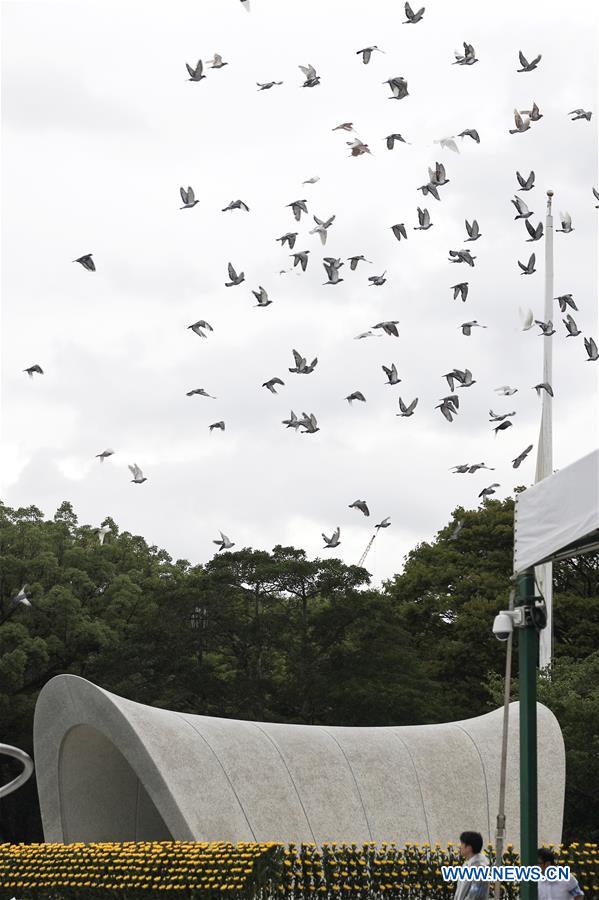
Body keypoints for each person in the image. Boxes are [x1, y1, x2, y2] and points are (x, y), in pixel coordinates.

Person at [454, 831, 491, 900]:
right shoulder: (466, 865)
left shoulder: (480, 869)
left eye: (462, 843)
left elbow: (475, 896)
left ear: (469, 847)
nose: (460, 846)